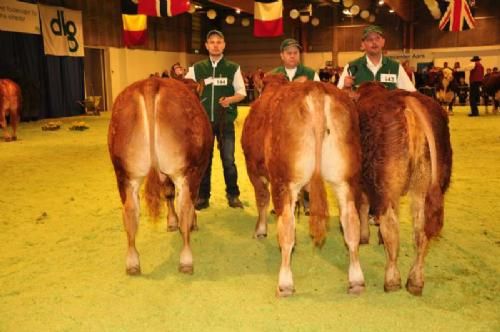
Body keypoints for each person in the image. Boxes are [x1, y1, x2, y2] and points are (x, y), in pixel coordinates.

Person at [185, 29, 246, 210]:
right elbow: (185, 90)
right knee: (205, 161)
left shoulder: (233, 68)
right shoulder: (196, 69)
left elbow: (241, 92)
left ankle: (233, 195)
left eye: (219, 42)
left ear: (224, 45)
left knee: (228, 160)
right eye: (212, 42)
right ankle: (203, 197)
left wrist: (230, 100)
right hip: (202, 125)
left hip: (225, 122)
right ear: (206, 46)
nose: (215, 45)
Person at [337, 25, 415, 92]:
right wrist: (345, 87)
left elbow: (411, 93)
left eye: (377, 38)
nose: (374, 42)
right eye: (369, 39)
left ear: (383, 42)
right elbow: (338, 97)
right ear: (363, 44)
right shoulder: (351, 67)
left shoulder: (395, 67)